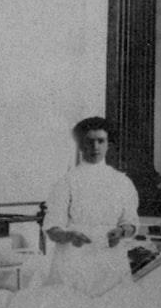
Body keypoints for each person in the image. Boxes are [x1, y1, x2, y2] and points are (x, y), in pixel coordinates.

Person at [44, 117, 139, 297]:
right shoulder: (66, 182)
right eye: (89, 141)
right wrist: (69, 235)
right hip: (74, 259)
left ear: (108, 144)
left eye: (101, 141)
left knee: (112, 306)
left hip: (111, 259)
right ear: (81, 145)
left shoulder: (122, 182)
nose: (95, 147)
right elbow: (52, 227)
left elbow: (131, 221)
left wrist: (121, 231)